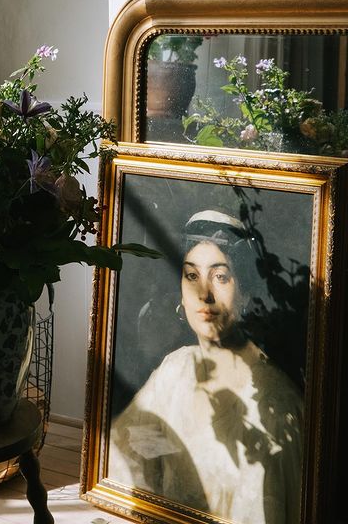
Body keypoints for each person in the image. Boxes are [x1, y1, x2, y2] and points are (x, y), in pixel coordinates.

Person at [108, 209, 304, 524]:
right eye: (192, 276)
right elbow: (120, 461)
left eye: (221, 277)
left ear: (246, 293)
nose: (204, 294)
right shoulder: (175, 369)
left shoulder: (276, 405)